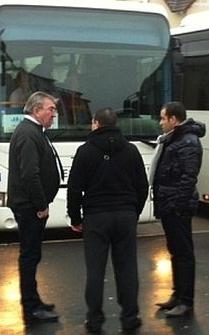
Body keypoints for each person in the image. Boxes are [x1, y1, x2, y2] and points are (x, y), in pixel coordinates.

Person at [67, 107, 148, 334]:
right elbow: (142, 186)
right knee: (127, 269)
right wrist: (134, 212)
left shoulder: (85, 151)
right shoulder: (131, 151)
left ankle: (94, 320)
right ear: (116, 124)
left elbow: (74, 189)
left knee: (95, 271)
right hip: (125, 216)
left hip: (96, 217)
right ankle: (130, 317)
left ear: (96, 123)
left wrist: (76, 217)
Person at [7, 91, 63, 323]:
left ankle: (34, 300)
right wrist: (41, 205)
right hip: (30, 207)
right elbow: (30, 174)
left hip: (31, 205)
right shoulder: (29, 134)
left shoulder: (34, 131)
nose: (54, 114)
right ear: (36, 110)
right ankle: (31, 307)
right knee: (30, 256)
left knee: (32, 255)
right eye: (51, 109)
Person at [149, 101, 205, 317]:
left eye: (163, 118)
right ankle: (177, 294)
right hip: (168, 202)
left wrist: (178, 204)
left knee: (184, 253)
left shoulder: (188, 142)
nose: (160, 122)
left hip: (176, 205)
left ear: (174, 119)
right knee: (175, 251)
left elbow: (188, 177)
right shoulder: (173, 139)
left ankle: (186, 301)